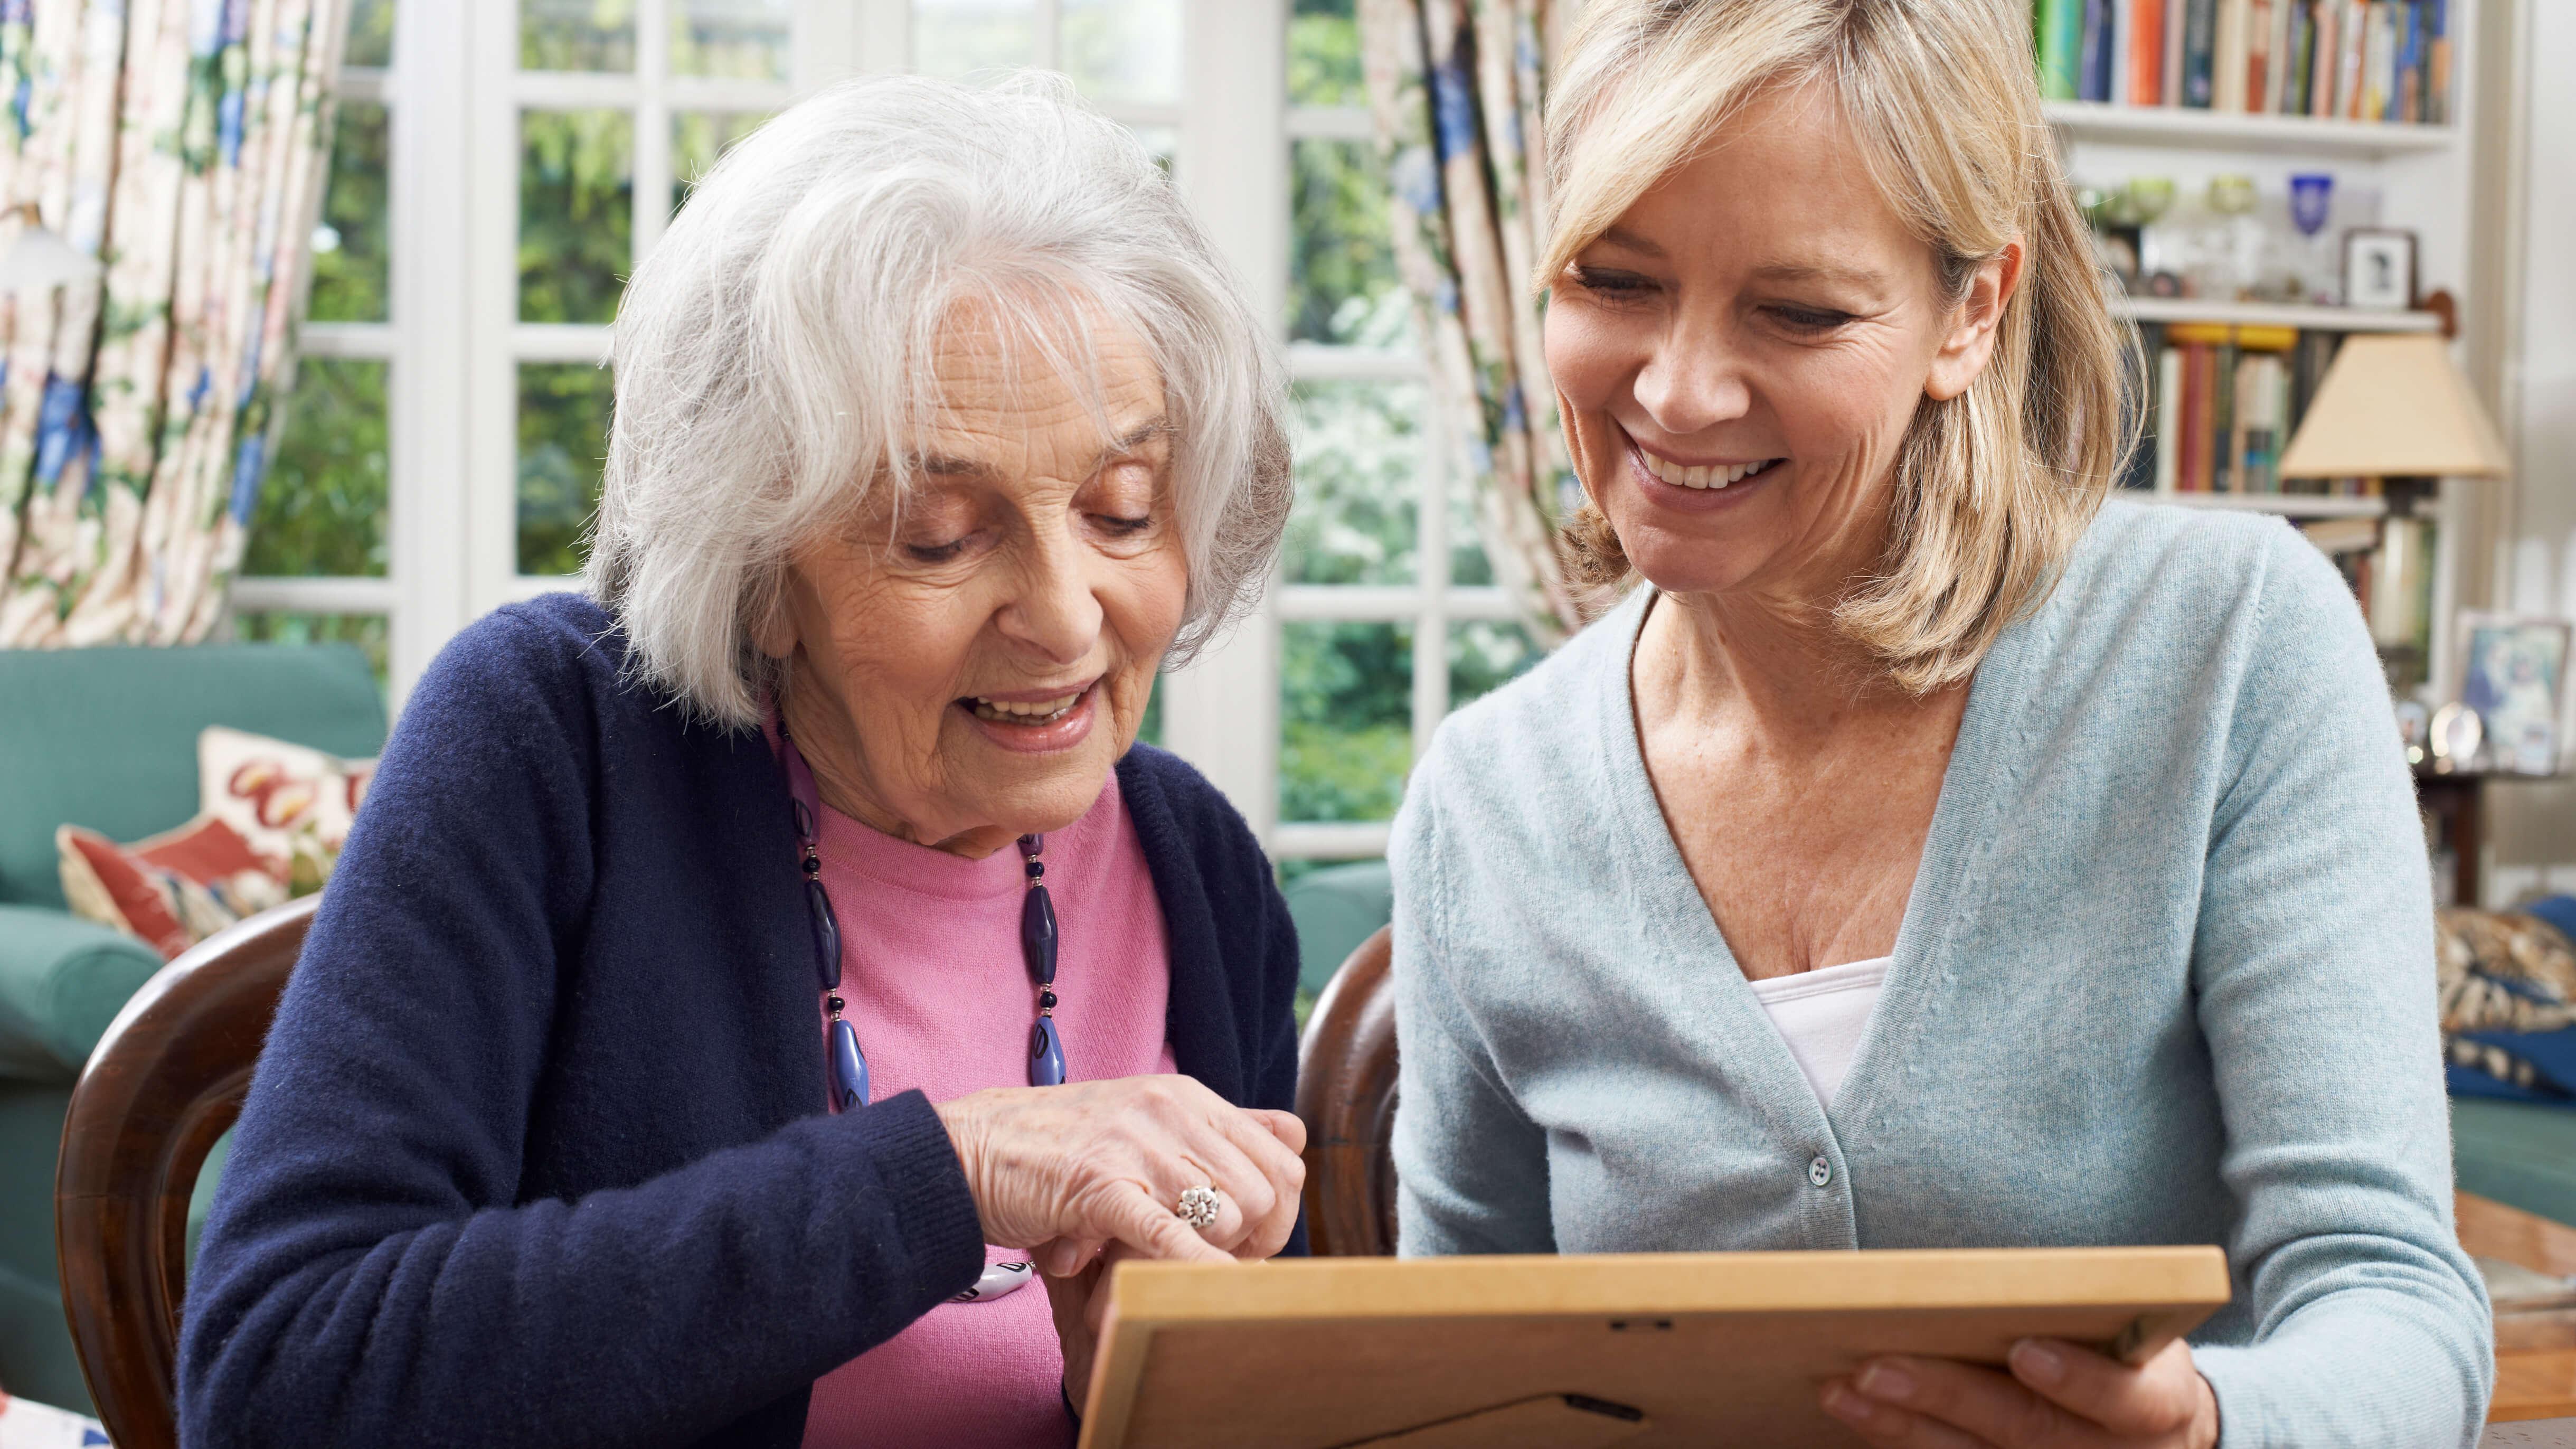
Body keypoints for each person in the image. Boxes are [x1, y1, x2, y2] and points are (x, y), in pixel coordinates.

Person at [1388, 3, 2491, 1446]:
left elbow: (2398, 1305)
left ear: (1970, 315)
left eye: (1798, 312)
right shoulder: (1486, 802)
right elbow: (1453, 1386)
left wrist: (2210, 1425)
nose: (1678, 390)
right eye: (1615, 280)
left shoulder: (2228, 644)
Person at [180, 73, 1306, 1449]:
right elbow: (286, 1374)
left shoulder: (1193, 866)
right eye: (942, 536)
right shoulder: (555, 743)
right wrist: (952, 1172)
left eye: (1124, 513)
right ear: (758, 566)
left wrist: (1144, 1383)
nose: (1068, 615)